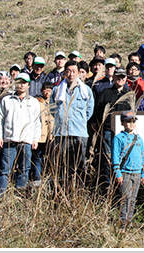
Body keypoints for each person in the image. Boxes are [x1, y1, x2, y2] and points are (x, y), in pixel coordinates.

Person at [0, 73, 41, 197]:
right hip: (10, 139)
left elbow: (37, 122)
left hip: (26, 140)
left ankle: (20, 194)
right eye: (19, 82)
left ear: (28, 85)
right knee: (5, 169)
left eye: (24, 82)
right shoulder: (6, 100)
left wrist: (35, 139)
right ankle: (0, 195)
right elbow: (0, 119)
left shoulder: (34, 102)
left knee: (24, 169)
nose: (21, 85)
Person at [50, 60, 94, 190]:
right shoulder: (57, 90)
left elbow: (89, 111)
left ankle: (77, 192)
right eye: (68, 71)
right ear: (64, 72)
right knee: (61, 165)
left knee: (79, 166)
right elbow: (52, 109)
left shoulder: (85, 90)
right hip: (61, 133)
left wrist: (78, 120)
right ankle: (61, 192)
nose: (71, 74)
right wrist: (61, 120)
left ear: (79, 73)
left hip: (79, 133)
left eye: (73, 71)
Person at [92, 68, 132, 190]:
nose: (120, 79)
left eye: (123, 77)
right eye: (118, 77)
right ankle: (108, 184)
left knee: (123, 157)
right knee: (108, 158)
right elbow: (97, 111)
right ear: (113, 78)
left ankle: (121, 184)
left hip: (124, 132)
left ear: (126, 79)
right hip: (108, 131)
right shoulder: (105, 93)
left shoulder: (129, 94)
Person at [112, 111, 144, 229]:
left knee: (132, 200)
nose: (131, 124)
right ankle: (122, 226)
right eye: (127, 121)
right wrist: (117, 172)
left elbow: (143, 156)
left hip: (137, 173)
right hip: (125, 172)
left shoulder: (139, 139)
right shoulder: (118, 138)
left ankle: (129, 223)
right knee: (125, 199)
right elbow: (115, 155)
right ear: (122, 123)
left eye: (133, 121)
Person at [31, 81, 54, 186]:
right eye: (46, 89)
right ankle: (37, 177)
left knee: (50, 157)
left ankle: (49, 176)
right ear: (42, 90)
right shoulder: (37, 102)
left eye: (50, 90)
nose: (48, 92)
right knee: (38, 157)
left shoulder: (54, 102)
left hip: (51, 135)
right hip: (40, 135)